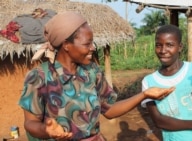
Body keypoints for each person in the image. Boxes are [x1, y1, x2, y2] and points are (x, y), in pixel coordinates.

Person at [18, 11, 175, 141]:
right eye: (87, 44)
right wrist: (47, 130)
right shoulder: (39, 77)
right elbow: (30, 123)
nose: (93, 48)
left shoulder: (92, 71)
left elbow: (109, 110)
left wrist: (144, 94)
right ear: (66, 45)